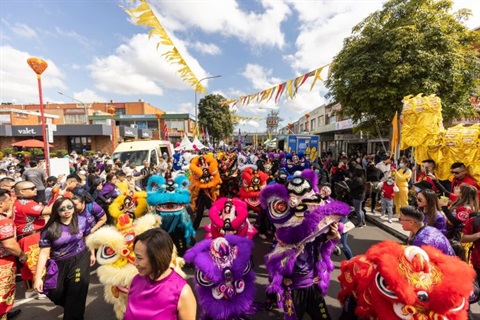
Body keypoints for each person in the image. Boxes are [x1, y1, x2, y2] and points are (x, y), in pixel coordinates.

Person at [34, 197, 95, 320]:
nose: (66, 210)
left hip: (80, 258)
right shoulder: (48, 229)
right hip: (58, 263)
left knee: (76, 291)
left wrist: (92, 253)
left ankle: (74, 313)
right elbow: (43, 254)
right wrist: (38, 278)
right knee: (55, 292)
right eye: (62, 209)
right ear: (56, 211)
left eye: (69, 207)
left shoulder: (82, 221)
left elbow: (88, 238)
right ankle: (73, 307)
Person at [124, 228, 196, 320]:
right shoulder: (134, 281)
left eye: (139, 258)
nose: (135, 263)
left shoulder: (182, 292)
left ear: (157, 258)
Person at [13, 181, 52, 299]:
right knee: (38, 263)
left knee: (27, 265)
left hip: (24, 237)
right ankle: (40, 289)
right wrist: (58, 196)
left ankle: (30, 290)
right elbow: (48, 210)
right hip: (32, 237)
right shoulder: (26, 204)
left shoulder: (18, 202)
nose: (36, 189)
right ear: (22, 191)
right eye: (32, 188)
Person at [0, 189, 27, 320]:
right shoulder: (3, 222)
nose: (11, 202)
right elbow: (9, 245)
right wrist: (22, 254)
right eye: (9, 200)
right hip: (3, 263)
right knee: (3, 293)